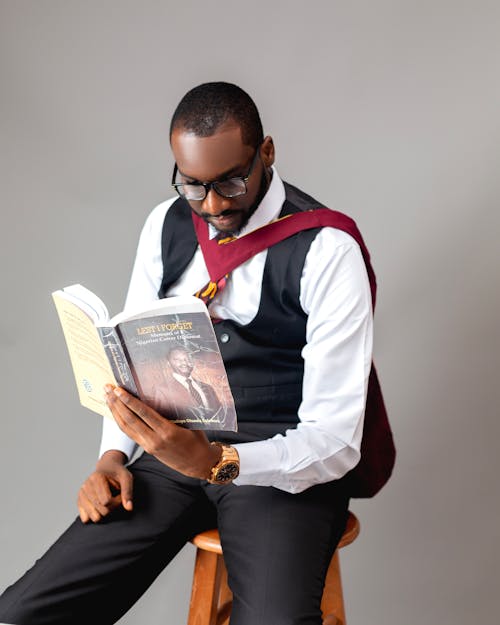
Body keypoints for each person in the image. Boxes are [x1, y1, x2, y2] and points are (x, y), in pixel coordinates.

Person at [0, 81, 395, 625]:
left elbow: (334, 442)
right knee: (21, 614)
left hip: (282, 472)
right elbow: (132, 363)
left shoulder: (327, 250)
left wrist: (218, 462)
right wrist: (113, 457)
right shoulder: (166, 224)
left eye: (231, 181)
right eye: (192, 185)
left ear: (267, 153)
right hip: (172, 457)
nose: (212, 205)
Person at [155, 344, 223, 424]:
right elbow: (160, 421)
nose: (184, 362)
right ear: (168, 363)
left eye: (187, 359)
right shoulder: (162, 390)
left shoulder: (208, 388)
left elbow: (220, 414)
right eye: (178, 360)